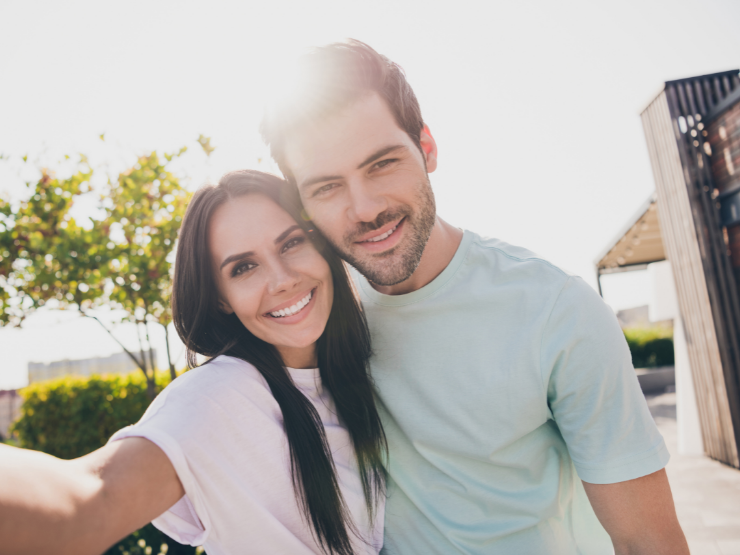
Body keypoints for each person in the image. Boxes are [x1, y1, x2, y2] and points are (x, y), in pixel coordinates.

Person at [260, 40, 690, 554]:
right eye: (327, 187)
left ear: (428, 147)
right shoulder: (308, 318)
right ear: (303, 204)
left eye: (381, 164)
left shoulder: (556, 311)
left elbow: (647, 539)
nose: (365, 208)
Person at [0, 170, 387, 555]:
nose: (282, 280)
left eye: (290, 244)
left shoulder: (366, 367)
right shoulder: (216, 399)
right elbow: (92, 498)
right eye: (243, 267)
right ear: (221, 299)